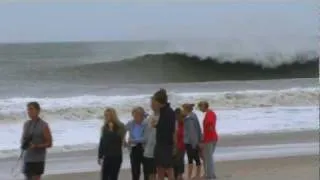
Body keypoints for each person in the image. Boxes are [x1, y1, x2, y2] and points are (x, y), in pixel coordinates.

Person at [21, 102, 53, 180]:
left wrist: (36, 146)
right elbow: (23, 140)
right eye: (28, 110)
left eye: (31, 109)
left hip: (38, 159)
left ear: (38, 111)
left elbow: (49, 143)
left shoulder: (44, 125)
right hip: (27, 157)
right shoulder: (26, 124)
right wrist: (24, 144)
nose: (29, 112)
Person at [151, 88, 175, 180]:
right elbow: (155, 125)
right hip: (161, 143)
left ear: (159, 101)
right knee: (160, 168)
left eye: (154, 101)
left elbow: (172, 130)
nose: (153, 103)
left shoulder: (167, 112)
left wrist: (174, 145)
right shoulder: (165, 111)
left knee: (168, 169)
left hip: (166, 144)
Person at [98, 108, 126, 180]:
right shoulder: (104, 127)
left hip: (116, 155)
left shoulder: (121, 126)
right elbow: (102, 142)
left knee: (113, 177)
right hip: (107, 156)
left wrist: (111, 130)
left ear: (113, 116)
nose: (106, 117)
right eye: (105, 115)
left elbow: (120, 141)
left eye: (108, 115)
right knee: (104, 177)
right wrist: (100, 156)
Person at [126, 107, 148, 180]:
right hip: (134, 149)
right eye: (135, 115)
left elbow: (145, 139)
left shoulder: (146, 123)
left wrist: (132, 140)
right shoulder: (130, 123)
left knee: (147, 171)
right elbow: (122, 130)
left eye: (139, 115)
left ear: (142, 115)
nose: (137, 117)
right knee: (135, 171)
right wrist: (124, 140)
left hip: (145, 149)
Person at [198, 101, 218, 179]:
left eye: (200, 107)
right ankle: (211, 174)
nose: (200, 109)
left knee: (208, 157)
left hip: (210, 139)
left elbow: (210, 126)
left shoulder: (209, 114)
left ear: (204, 106)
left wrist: (204, 139)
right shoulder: (211, 113)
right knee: (208, 157)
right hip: (212, 138)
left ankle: (210, 175)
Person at [182, 103, 202, 180]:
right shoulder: (189, 117)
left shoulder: (190, 118)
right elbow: (198, 129)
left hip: (191, 142)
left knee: (195, 158)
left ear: (186, 109)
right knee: (191, 158)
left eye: (183, 109)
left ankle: (196, 175)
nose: (182, 111)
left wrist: (197, 142)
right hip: (189, 141)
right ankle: (191, 176)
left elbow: (193, 131)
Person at [143, 98, 159, 180]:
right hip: (148, 150)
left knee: (159, 173)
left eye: (154, 103)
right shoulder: (150, 117)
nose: (152, 105)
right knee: (150, 173)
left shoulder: (164, 117)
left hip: (159, 150)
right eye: (151, 103)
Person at [173, 108, 185, 180]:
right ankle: (177, 175)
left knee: (180, 160)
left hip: (181, 144)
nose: (176, 117)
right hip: (176, 144)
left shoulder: (182, 122)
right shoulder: (175, 122)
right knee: (176, 160)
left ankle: (179, 175)